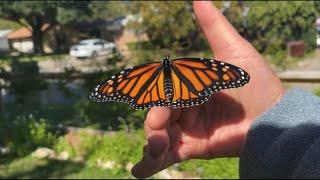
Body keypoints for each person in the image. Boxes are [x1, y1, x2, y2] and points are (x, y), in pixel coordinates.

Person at [131, 1, 320, 179]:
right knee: (160, 114)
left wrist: (271, 114)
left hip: (172, 95)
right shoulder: (190, 66)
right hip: (184, 96)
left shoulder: (153, 71)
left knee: (160, 112)